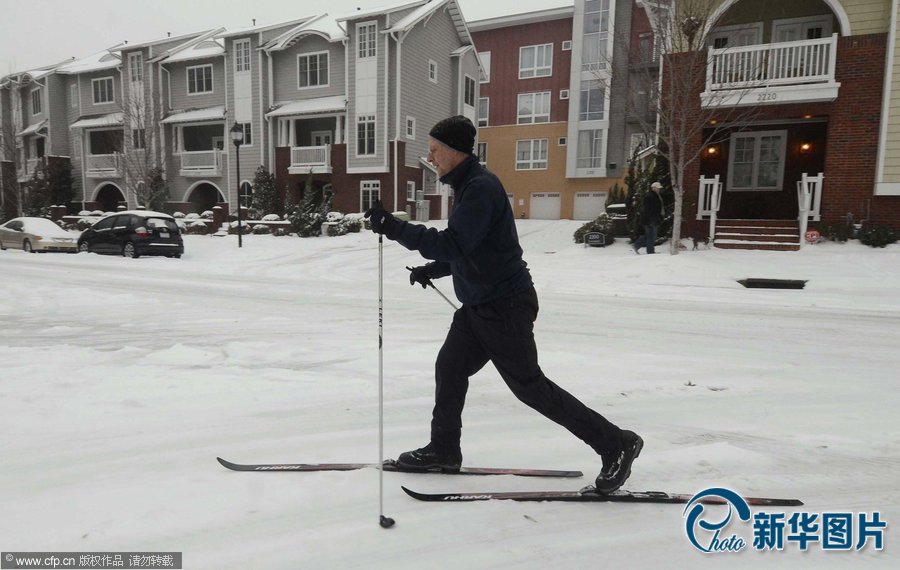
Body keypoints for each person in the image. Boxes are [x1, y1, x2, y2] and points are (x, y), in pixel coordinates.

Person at [364, 115, 642, 494]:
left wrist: (394, 228)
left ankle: (616, 444)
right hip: (478, 307)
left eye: (434, 150)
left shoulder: (480, 188)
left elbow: (456, 243)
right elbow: (472, 249)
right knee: (449, 368)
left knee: (531, 388)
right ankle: (444, 449)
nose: (430, 157)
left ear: (455, 151)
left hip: (505, 305)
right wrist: (436, 269)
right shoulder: (466, 186)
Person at [633, 182, 664, 254]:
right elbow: (648, 210)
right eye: (658, 188)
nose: (659, 189)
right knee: (651, 236)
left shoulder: (655, 196)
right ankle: (650, 251)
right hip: (649, 220)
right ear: (653, 188)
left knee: (649, 235)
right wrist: (651, 220)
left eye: (659, 188)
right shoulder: (650, 196)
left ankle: (637, 245)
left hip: (652, 219)